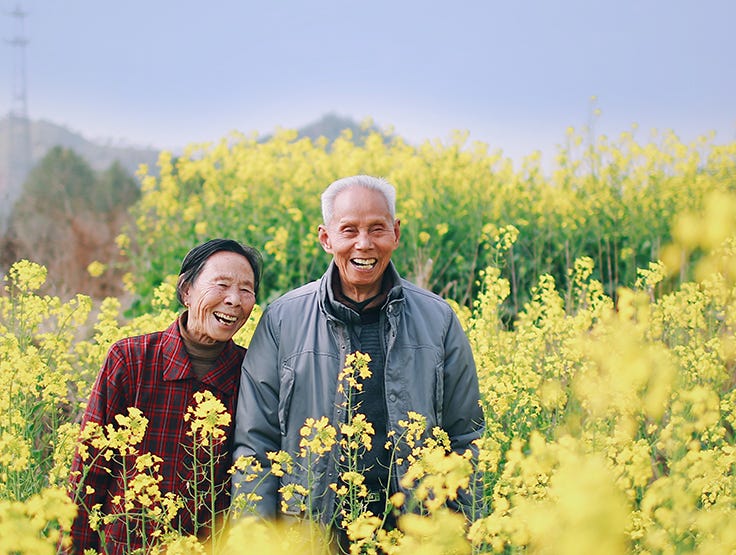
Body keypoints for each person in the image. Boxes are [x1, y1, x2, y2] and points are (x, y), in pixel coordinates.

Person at [231, 175, 484, 544]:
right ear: (326, 238)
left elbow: (467, 437)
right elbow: (255, 443)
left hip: (415, 534)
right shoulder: (282, 320)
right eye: (348, 230)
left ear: (396, 234)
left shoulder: (438, 319)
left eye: (377, 229)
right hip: (313, 534)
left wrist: (455, 533)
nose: (363, 244)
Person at [66, 238, 263, 555]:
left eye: (246, 290)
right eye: (222, 285)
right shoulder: (131, 360)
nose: (234, 300)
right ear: (186, 291)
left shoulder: (252, 372)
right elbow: (89, 470)